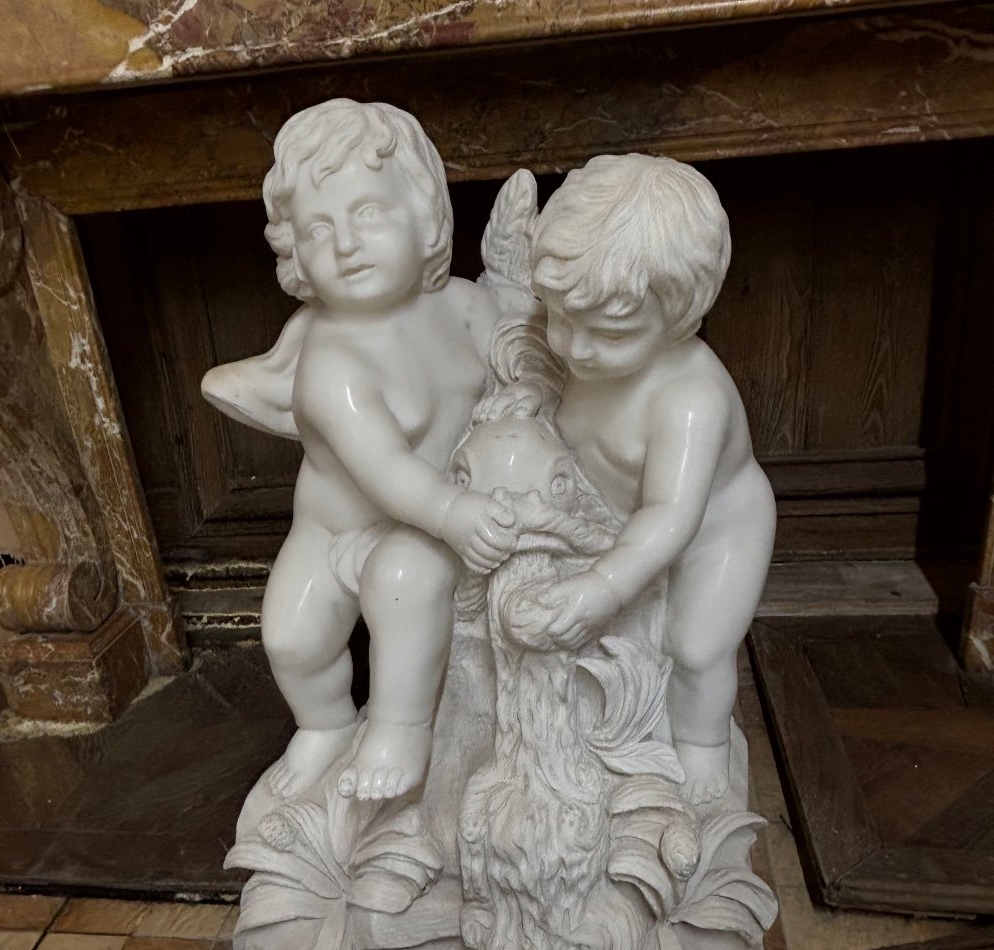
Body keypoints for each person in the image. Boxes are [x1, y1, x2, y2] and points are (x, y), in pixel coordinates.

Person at [202, 100, 513, 809]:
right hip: (340, 529)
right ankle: (326, 724)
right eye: (319, 228)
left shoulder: (463, 307)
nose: (346, 244)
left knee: (407, 580)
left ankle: (403, 728)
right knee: (290, 638)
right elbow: (385, 471)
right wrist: (456, 510)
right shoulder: (331, 362)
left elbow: (518, 370)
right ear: (296, 256)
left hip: (423, 530)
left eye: (368, 213)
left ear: (426, 217)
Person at [528, 153, 776, 803]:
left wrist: (603, 583)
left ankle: (702, 750)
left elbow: (670, 514)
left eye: (606, 333)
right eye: (558, 317)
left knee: (694, 647)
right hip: (612, 522)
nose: (575, 348)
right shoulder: (585, 356)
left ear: (678, 317)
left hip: (709, 533)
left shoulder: (689, 398)